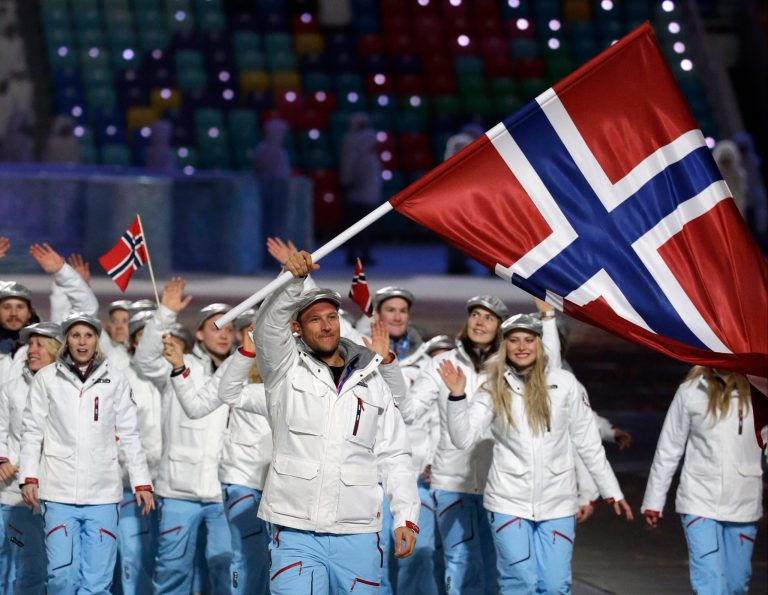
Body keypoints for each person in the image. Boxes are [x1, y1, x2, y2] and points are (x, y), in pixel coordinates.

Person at [253, 250, 420, 593]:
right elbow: (267, 328)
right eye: (315, 319)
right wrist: (291, 283)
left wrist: (406, 516)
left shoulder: (372, 379)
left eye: (331, 316)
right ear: (296, 328)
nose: (326, 325)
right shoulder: (283, 369)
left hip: (357, 532)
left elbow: (395, 454)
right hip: (296, 529)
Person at [443, 313, 633, 593]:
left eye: (529, 340)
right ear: (504, 346)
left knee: (555, 586)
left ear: (540, 344)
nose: (522, 346)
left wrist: (611, 491)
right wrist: (457, 396)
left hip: (558, 503)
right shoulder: (493, 387)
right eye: (514, 340)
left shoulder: (565, 385)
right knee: (520, 582)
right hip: (508, 502)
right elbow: (463, 437)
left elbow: (588, 443)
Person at [18, 312, 154, 593]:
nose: (82, 342)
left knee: (97, 583)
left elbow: (130, 434)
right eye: (76, 335)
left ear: (96, 339)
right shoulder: (47, 378)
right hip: (57, 492)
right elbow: (31, 431)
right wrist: (29, 476)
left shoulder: (115, 379)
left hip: (103, 494)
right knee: (61, 579)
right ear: (66, 339)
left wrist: (142, 482)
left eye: (89, 335)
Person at [397, 295, 511, 595]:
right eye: (475, 314)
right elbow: (409, 411)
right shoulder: (441, 364)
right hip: (452, 484)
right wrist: (388, 367)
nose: (480, 322)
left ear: (499, 326)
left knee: (496, 567)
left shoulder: (508, 368)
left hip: (499, 486)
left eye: (488, 317)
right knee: (460, 564)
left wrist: (549, 321)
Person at [132, 278, 234, 594]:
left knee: (226, 567)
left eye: (230, 328)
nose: (224, 334)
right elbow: (144, 359)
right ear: (200, 334)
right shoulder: (179, 363)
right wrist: (164, 313)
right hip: (179, 490)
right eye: (216, 327)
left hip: (224, 491)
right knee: (173, 569)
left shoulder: (243, 372)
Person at [161, 328, 272, 595]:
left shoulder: (302, 366)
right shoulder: (238, 364)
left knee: (276, 563)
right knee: (245, 558)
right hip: (242, 478)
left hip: (284, 481)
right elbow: (196, 406)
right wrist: (178, 368)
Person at [641, 366, 763, 595]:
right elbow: (669, 448)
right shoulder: (691, 391)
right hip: (698, 500)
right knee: (710, 585)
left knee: (737, 585)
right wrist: (654, 501)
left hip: (743, 502)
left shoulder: (759, 390)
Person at [0, 322, 62, 594]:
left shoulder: (70, 389)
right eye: (30, 344)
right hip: (14, 496)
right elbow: (1, 427)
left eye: (39, 344)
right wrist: (2, 459)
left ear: (55, 350)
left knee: (48, 569)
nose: (31, 350)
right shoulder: (11, 388)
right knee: (16, 562)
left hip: (56, 494)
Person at [114, 311, 163, 595]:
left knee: (161, 558)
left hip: (170, 486)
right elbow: (118, 432)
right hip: (130, 486)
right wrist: (133, 472)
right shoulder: (121, 377)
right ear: (133, 342)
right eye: (142, 336)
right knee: (132, 556)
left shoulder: (174, 372)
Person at [340, 113, 382, 265]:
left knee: (364, 227)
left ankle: (363, 252)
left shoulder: (369, 158)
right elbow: (348, 169)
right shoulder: (355, 150)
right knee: (355, 226)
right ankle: (354, 253)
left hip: (366, 195)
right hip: (357, 193)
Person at [99, 300, 132, 372]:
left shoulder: (144, 354)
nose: (119, 327)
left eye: (125, 321)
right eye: (114, 321)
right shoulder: (105, 350)